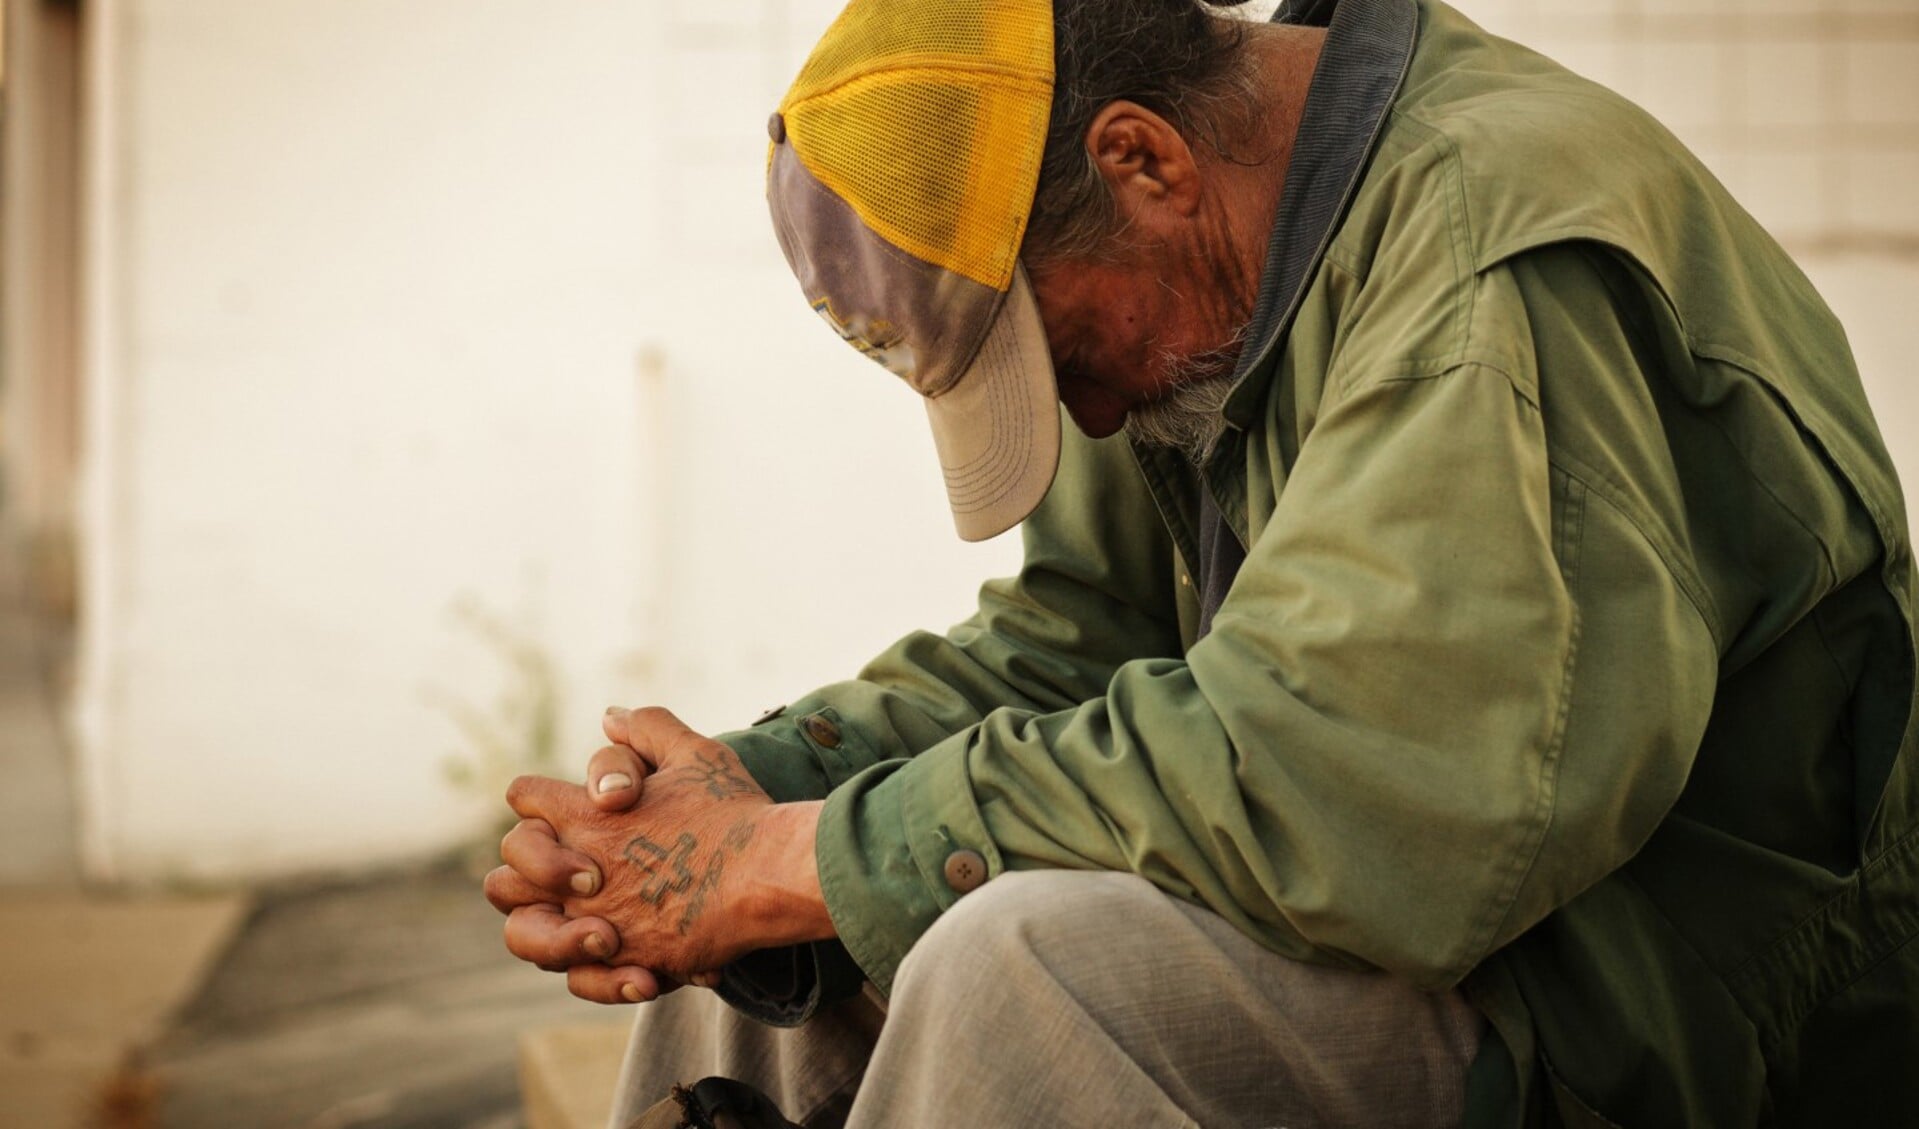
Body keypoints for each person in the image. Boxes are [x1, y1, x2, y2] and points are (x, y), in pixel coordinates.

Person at [485, 0, 1919, 1124]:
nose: (1090, 414)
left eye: (1064, 352)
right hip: (1432, 914)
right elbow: (1080, 640)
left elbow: (1374, 792)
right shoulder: (1211, 257)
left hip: (1637, 998)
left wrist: (806, 858)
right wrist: (743, 803)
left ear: (1141, 159)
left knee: (1027, 972)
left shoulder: (1488, 250)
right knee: (744, 971)